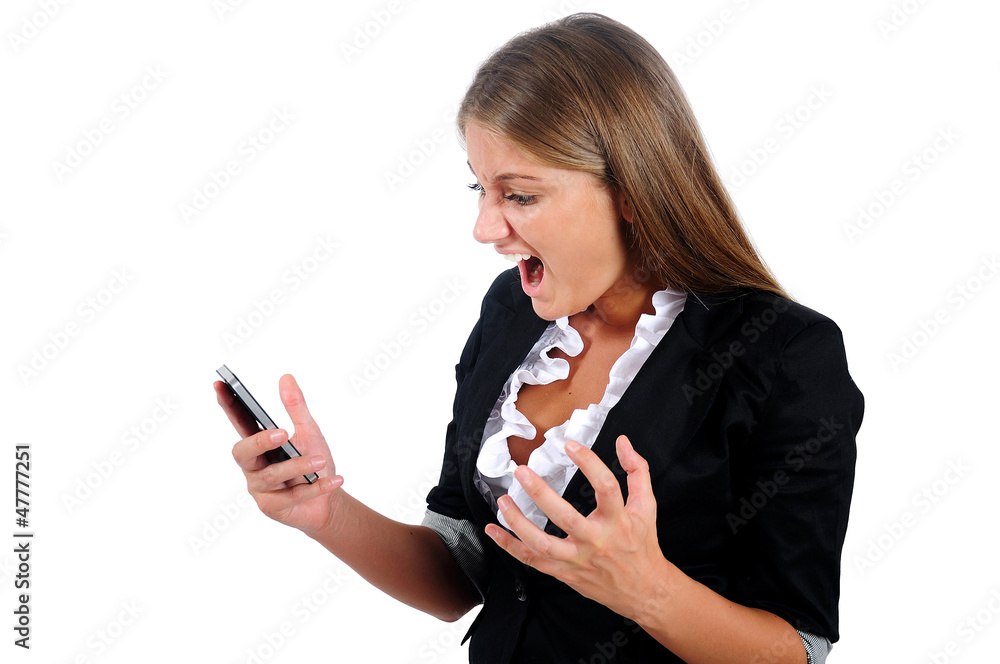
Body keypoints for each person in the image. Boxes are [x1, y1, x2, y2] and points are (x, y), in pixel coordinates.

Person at [216, 13, 863, 664]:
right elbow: (463, 570)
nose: (484, 227)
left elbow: (799, 648)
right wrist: (326, 512)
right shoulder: (512, 312)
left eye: (520, 196)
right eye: (480, 187)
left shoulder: (784, 354)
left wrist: (649, 592)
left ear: (632, 191)